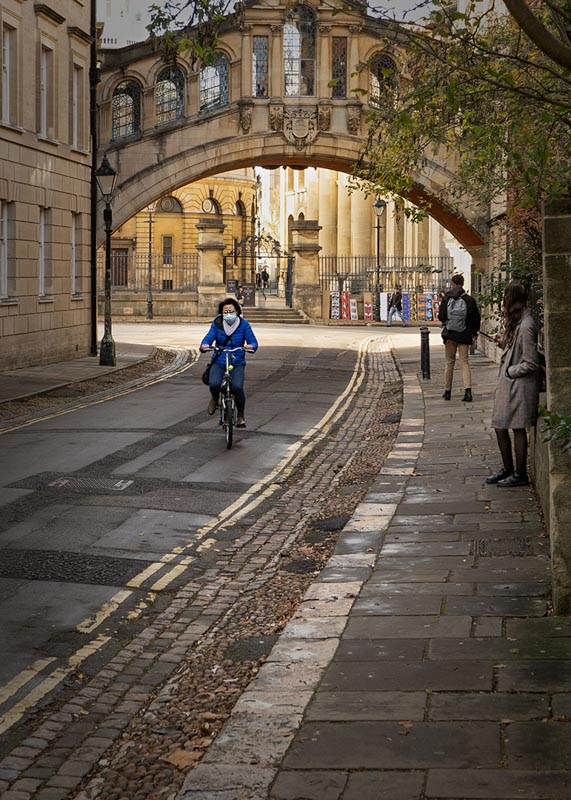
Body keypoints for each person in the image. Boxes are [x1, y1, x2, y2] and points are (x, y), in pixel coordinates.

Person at [486, 281, 540, 487]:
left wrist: (510, 371)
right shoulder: (519, 321)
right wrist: (502, 341)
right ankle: (508, 468)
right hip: (510, 383)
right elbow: (516, 350)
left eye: (505, 297)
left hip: (519, 385)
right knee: (500, 426)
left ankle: (519, 474)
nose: (503, 301)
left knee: (516, 428)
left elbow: (531, 362)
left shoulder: (526, 325)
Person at [199, 298, 258, 428]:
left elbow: (253, 341)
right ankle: (215, 398)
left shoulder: (244, 325)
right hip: (220, 359)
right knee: (214, 384)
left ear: (237, 311)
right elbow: (209, 337)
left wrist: (251, 346)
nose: (228, 314)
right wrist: (205, 345)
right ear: (221, 313)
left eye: (231, 311)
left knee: (237, 387)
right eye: (225, 312)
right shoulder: (217, 323)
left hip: (237, 361)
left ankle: (241, 416)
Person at [438, 273, 481, 402]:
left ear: (452, 283)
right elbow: (476, 319)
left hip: (450, 334)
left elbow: (441, 317)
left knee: (449, 363)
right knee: (464, 362)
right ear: (462, 283)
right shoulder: (469, 300)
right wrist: (474, 332)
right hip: (464, 334)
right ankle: (467, 391)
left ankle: (447, 391)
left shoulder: (446, 299)